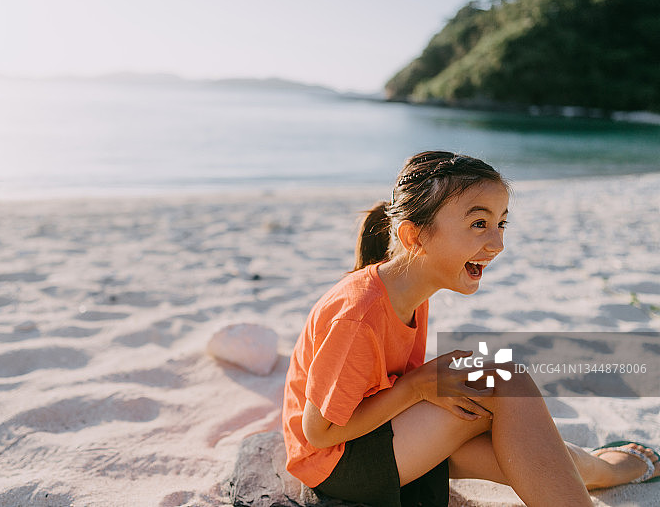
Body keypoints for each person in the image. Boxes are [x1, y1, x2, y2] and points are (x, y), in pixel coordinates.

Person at [281, 151, 659, 507]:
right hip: (336, 464)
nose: (497, 243)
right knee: (504, 380)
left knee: (531, 455)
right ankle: (607, 469)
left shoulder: (411, 291)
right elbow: (320, 433)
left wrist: (423, 388)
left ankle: (605, 470)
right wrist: (418, 385)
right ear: (415, 237)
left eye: (500, 223)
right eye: (479, 224)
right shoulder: (359, 313)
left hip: (380, 436)